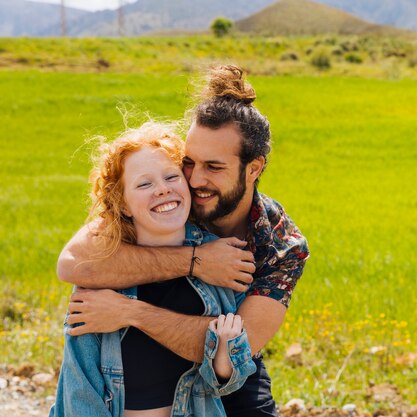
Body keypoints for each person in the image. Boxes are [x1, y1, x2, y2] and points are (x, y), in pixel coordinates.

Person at [56, 65, 310, 416]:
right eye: (189, 162)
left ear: (254, 169)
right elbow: (73, 263)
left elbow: (237, 349)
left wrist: (131, 313)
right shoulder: (170, 197)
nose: (196, 179)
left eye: (215, 167)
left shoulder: (282, 244)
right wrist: (196, 260)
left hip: (225, 373)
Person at [49, 121, 257, 417]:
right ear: (123, 205)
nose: (162, 190)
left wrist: (224, 358)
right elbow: (80, 388)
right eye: (144, 184)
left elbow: (227, 381)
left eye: (171, 177)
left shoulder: (221, 262)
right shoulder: (99, 276)